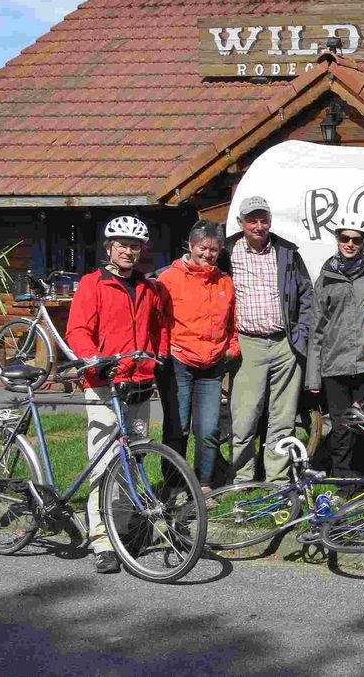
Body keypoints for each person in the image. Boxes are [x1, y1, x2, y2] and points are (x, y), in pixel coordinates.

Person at [65, 215, 169, 575]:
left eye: (135, 245)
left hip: (139, 382)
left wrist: (158, 356)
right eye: (122, 244)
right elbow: (78, 329)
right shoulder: (92, 284)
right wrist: (93, 359)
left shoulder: (148, 287)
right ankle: (101, 540)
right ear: (109, 248)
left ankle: (121, 530)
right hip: (103, 382)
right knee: (105, 461)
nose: (129, 250)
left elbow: (159, 326)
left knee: (132, 462)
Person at [222, 196, 313, 484]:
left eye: (263, 220)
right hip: (248, 343)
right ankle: (242, 478)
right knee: (244, 416)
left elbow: (306, 295)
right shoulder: (227, 253)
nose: (259, 226)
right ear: (241, 223)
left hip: (285, 343)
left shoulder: (286, 252)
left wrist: (300, 334)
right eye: (252, 220)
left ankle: (277, 479)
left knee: (283, 418)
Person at [156, 219, 239, 493]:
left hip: (212, 364)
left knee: (208, 430)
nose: (207, 254)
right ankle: (175, 486)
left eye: (214, 250)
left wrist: (232, 346)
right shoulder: (168, 278)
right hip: (179, 362)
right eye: (203, 248)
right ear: (191, 246)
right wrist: (165, 351)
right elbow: (159, 320)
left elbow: (232, 322)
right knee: (177, 429)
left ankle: (203, 485)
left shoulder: (225, 282)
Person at [305, 213, 364, 478]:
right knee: (340, 427)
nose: (350, 244)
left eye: (356, 239)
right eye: (344, 238)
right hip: (334, 365)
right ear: (337, 239)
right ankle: (342, 479)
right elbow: (316, 330)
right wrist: (313, 377)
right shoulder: (326, 278)